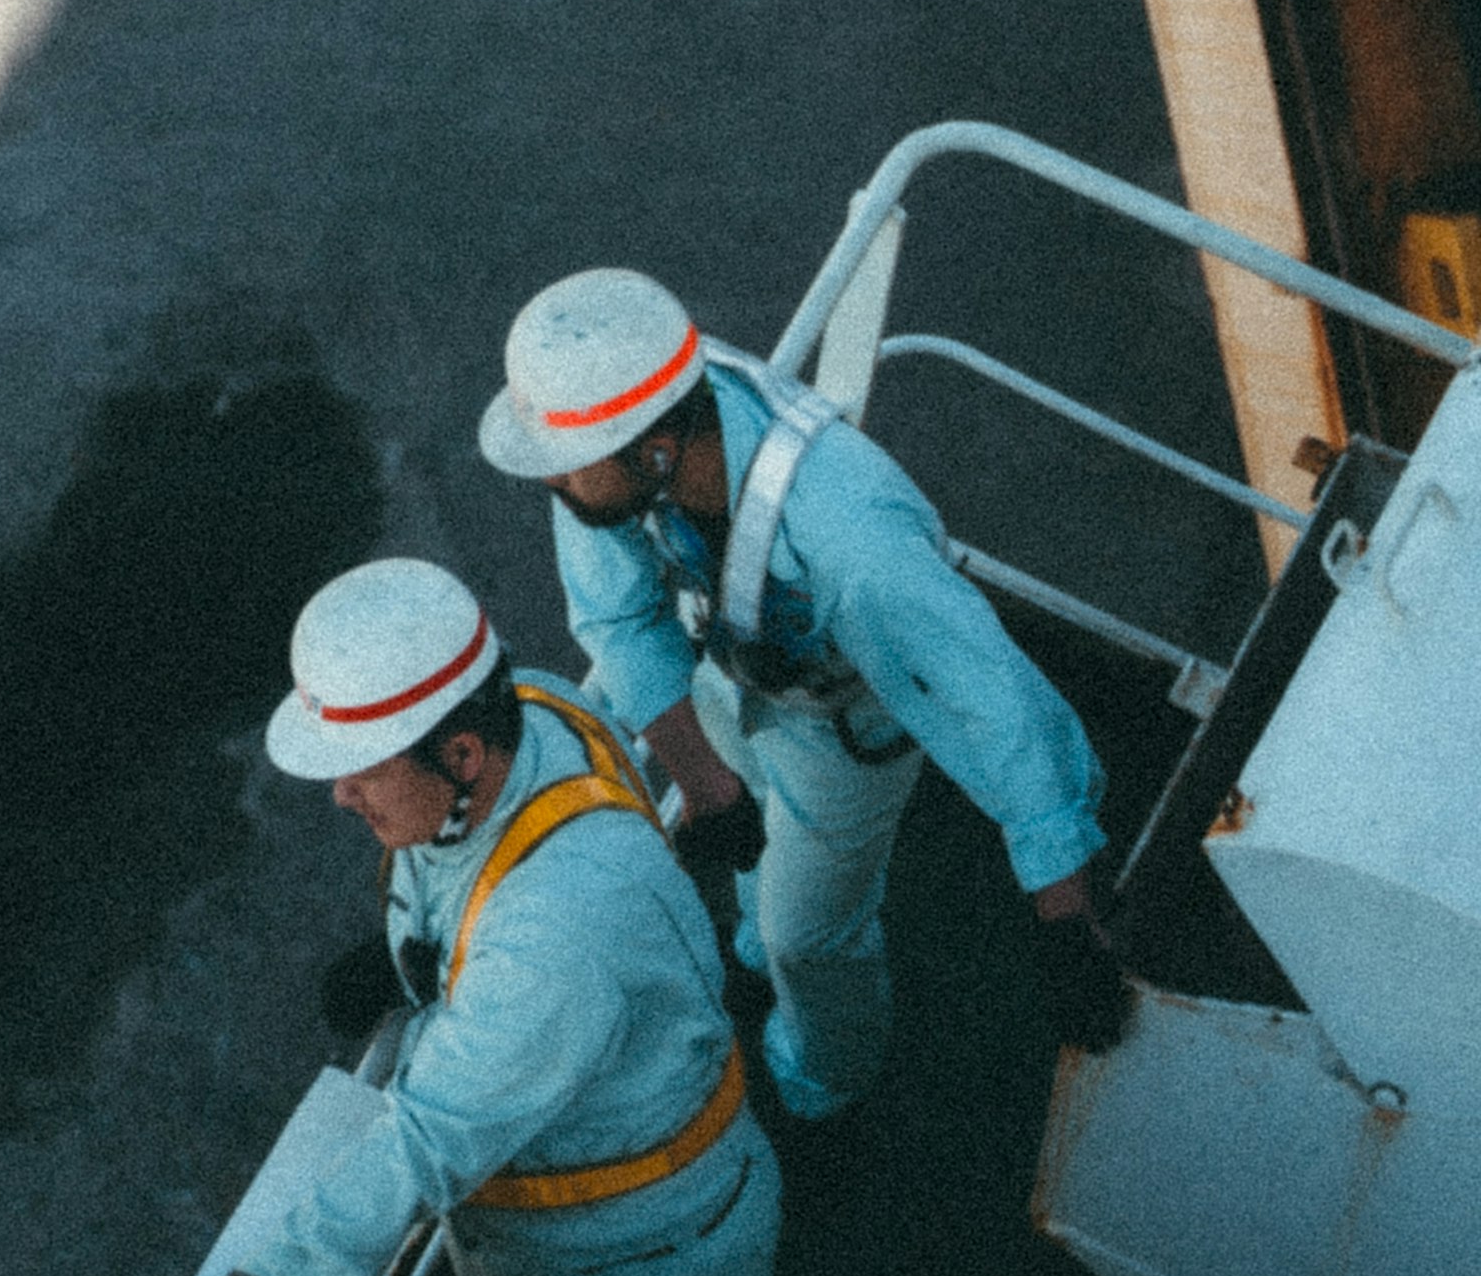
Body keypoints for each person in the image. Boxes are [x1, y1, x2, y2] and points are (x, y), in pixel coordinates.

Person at [121, 559, 780, 1276]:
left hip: (640, 1274)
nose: (341, 794)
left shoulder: (557, 935)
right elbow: (457, 876)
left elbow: (425, 1142)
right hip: (569, 1239)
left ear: (463, 755)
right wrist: (401, 960)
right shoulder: (541, 709)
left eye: (359, 768)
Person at [480, 267, 1132, 1124]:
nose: (550, 486)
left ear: (657, 448)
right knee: (757, 868)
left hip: (845, 722)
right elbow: (623, 618)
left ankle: (825, 1074)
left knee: (809, 937)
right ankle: (754, 936)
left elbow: (993, 701)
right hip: (734, 670)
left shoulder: (852, 540)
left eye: (563, 470)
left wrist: (1063, 915)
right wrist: (707, 784)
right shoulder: (619, 450)